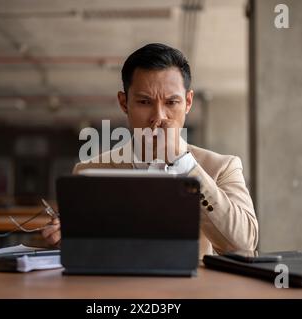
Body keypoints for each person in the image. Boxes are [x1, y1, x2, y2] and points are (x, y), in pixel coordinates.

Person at [42, 43, 258, 258]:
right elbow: (84, 253)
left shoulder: (222, 167)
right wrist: (66, 241)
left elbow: (243, 246)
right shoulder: (88, 172)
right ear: (124, 103)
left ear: (188, 102)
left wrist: (184, 163)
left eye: (172, 102)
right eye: (145, 102)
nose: (159, 117)